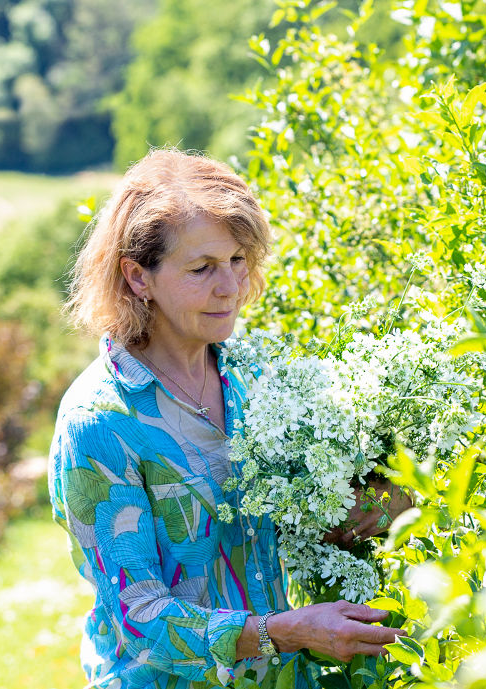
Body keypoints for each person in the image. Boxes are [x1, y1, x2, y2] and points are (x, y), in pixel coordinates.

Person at [48, 148, 411, 689]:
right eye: (202, 269)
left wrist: (386, 505)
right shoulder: (99, 421)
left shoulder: (260, 375)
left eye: (238, 260)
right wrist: (285, 631)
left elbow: (306, 520)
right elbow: (140, 618)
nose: (231, 287)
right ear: (137, 277)